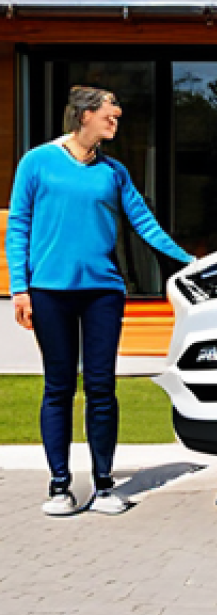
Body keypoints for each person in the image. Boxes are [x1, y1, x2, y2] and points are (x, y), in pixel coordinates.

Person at [6, 86, 193, 516]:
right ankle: (59, 487)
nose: (118, 115)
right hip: (49, 292)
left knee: (101, 388)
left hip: (103, 294)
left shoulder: (114, 172)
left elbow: (143, 221)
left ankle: (105, 486)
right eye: (110, 110)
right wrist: (21, 288)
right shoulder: (37, 162)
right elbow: (18, 227)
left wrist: (186, 259)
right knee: (58, 388)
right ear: (85, 115)